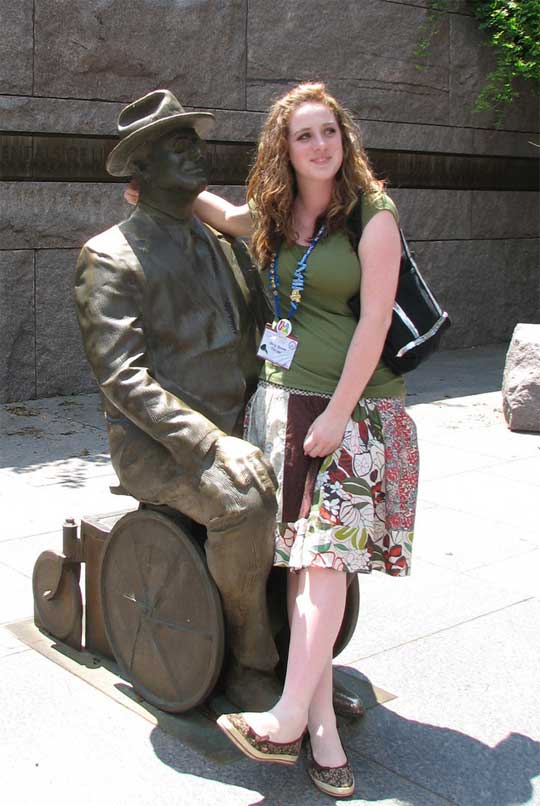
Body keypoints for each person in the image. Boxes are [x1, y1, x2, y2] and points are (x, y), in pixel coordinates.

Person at [195, 82, 419, 799]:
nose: (321, 145)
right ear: (284, 149)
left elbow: (376, 325)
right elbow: (230, 217)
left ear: (345, 139)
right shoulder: (278, 211)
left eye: (330, 132)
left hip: (354, 411)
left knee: (323, 562)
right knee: (302, 567)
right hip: (283, 401)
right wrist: (165, 193)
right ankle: (319, 727)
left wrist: (336, 416)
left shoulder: (373, 216)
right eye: (304, 136)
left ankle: (289, 716)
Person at [74, 89, 282, 711]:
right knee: (243, 500)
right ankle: (252, 654)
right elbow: (123, 377)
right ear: (140, 167)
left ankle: (302, 633)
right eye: (178, 145)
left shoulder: (226, 244)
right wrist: (213, 443)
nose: (197, 153)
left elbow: (267, 336)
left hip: (245, 423)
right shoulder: (109, 257)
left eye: (195, 141)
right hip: (159, 447)